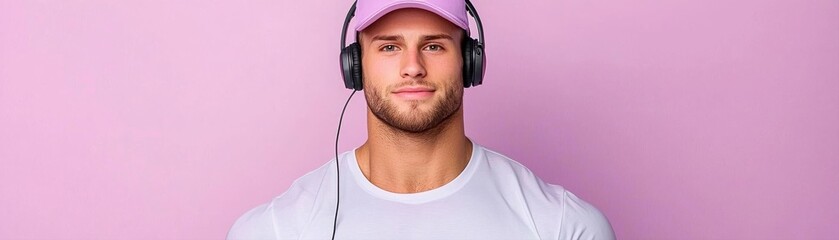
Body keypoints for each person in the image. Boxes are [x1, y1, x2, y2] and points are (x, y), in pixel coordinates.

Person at [228, 0, 615, 239]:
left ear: (469, 61)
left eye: (433, 45)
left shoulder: (563, 227)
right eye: (389, 47)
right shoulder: (275, 231)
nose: (412, 67)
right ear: (356, 66)